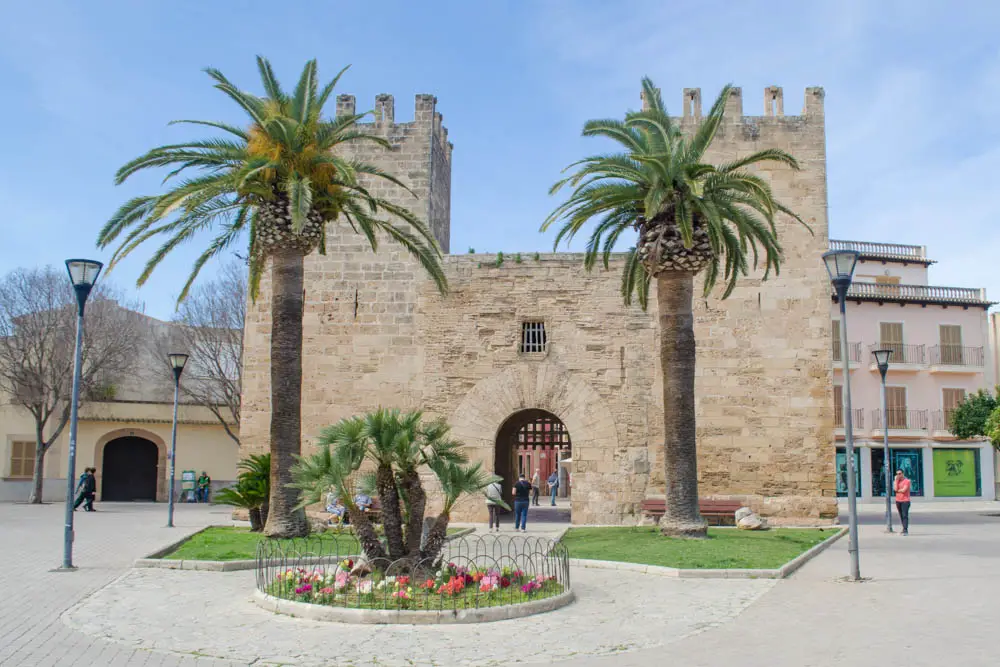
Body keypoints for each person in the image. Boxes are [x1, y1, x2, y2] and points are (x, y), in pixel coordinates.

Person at [894, 469, 911, 535]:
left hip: (905, 501)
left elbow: (904, 490)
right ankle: (903, 528)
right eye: (897, 474)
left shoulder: (907, 481)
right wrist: (896, 480)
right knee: (901, 515)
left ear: (903, 473)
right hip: (898, 500)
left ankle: (905, 530)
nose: (899, 475)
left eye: (900, 473)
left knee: (905, 515)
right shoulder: (896, 481)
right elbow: (895, 489)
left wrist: (898, 490)